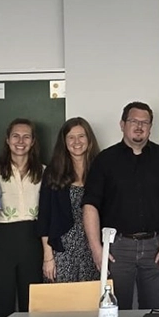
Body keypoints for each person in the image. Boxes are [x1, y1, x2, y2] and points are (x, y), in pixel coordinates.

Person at [83, 102, 159, 309]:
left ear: (150, 127)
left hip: (156, 247)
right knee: (115, 311)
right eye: (134, 121)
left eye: (145, 122)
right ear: (122, 124)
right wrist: (96, 249)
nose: (139, 126)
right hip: (118, 248)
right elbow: (90, 205)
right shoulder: (105, 160)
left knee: (153, 312)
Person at [0, 119, 44, 317]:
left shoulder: (44, 173)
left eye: (26, 136)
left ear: (33, 141)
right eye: (16, 136)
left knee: (33, 299)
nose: (21, 141)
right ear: (7, 140)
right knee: (0, 299)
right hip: (2, 240)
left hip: (33, 239)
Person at [38, 117, 101, 283]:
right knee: (62, 298)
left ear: (89, 139)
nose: (76, 142)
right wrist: (48, 257)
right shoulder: (53, 172)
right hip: (62, 251)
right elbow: (45, 217)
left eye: (81, 136)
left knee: (92, 298)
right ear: (64, 142)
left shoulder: (101, 170)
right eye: (71, 137)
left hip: (94, 249)